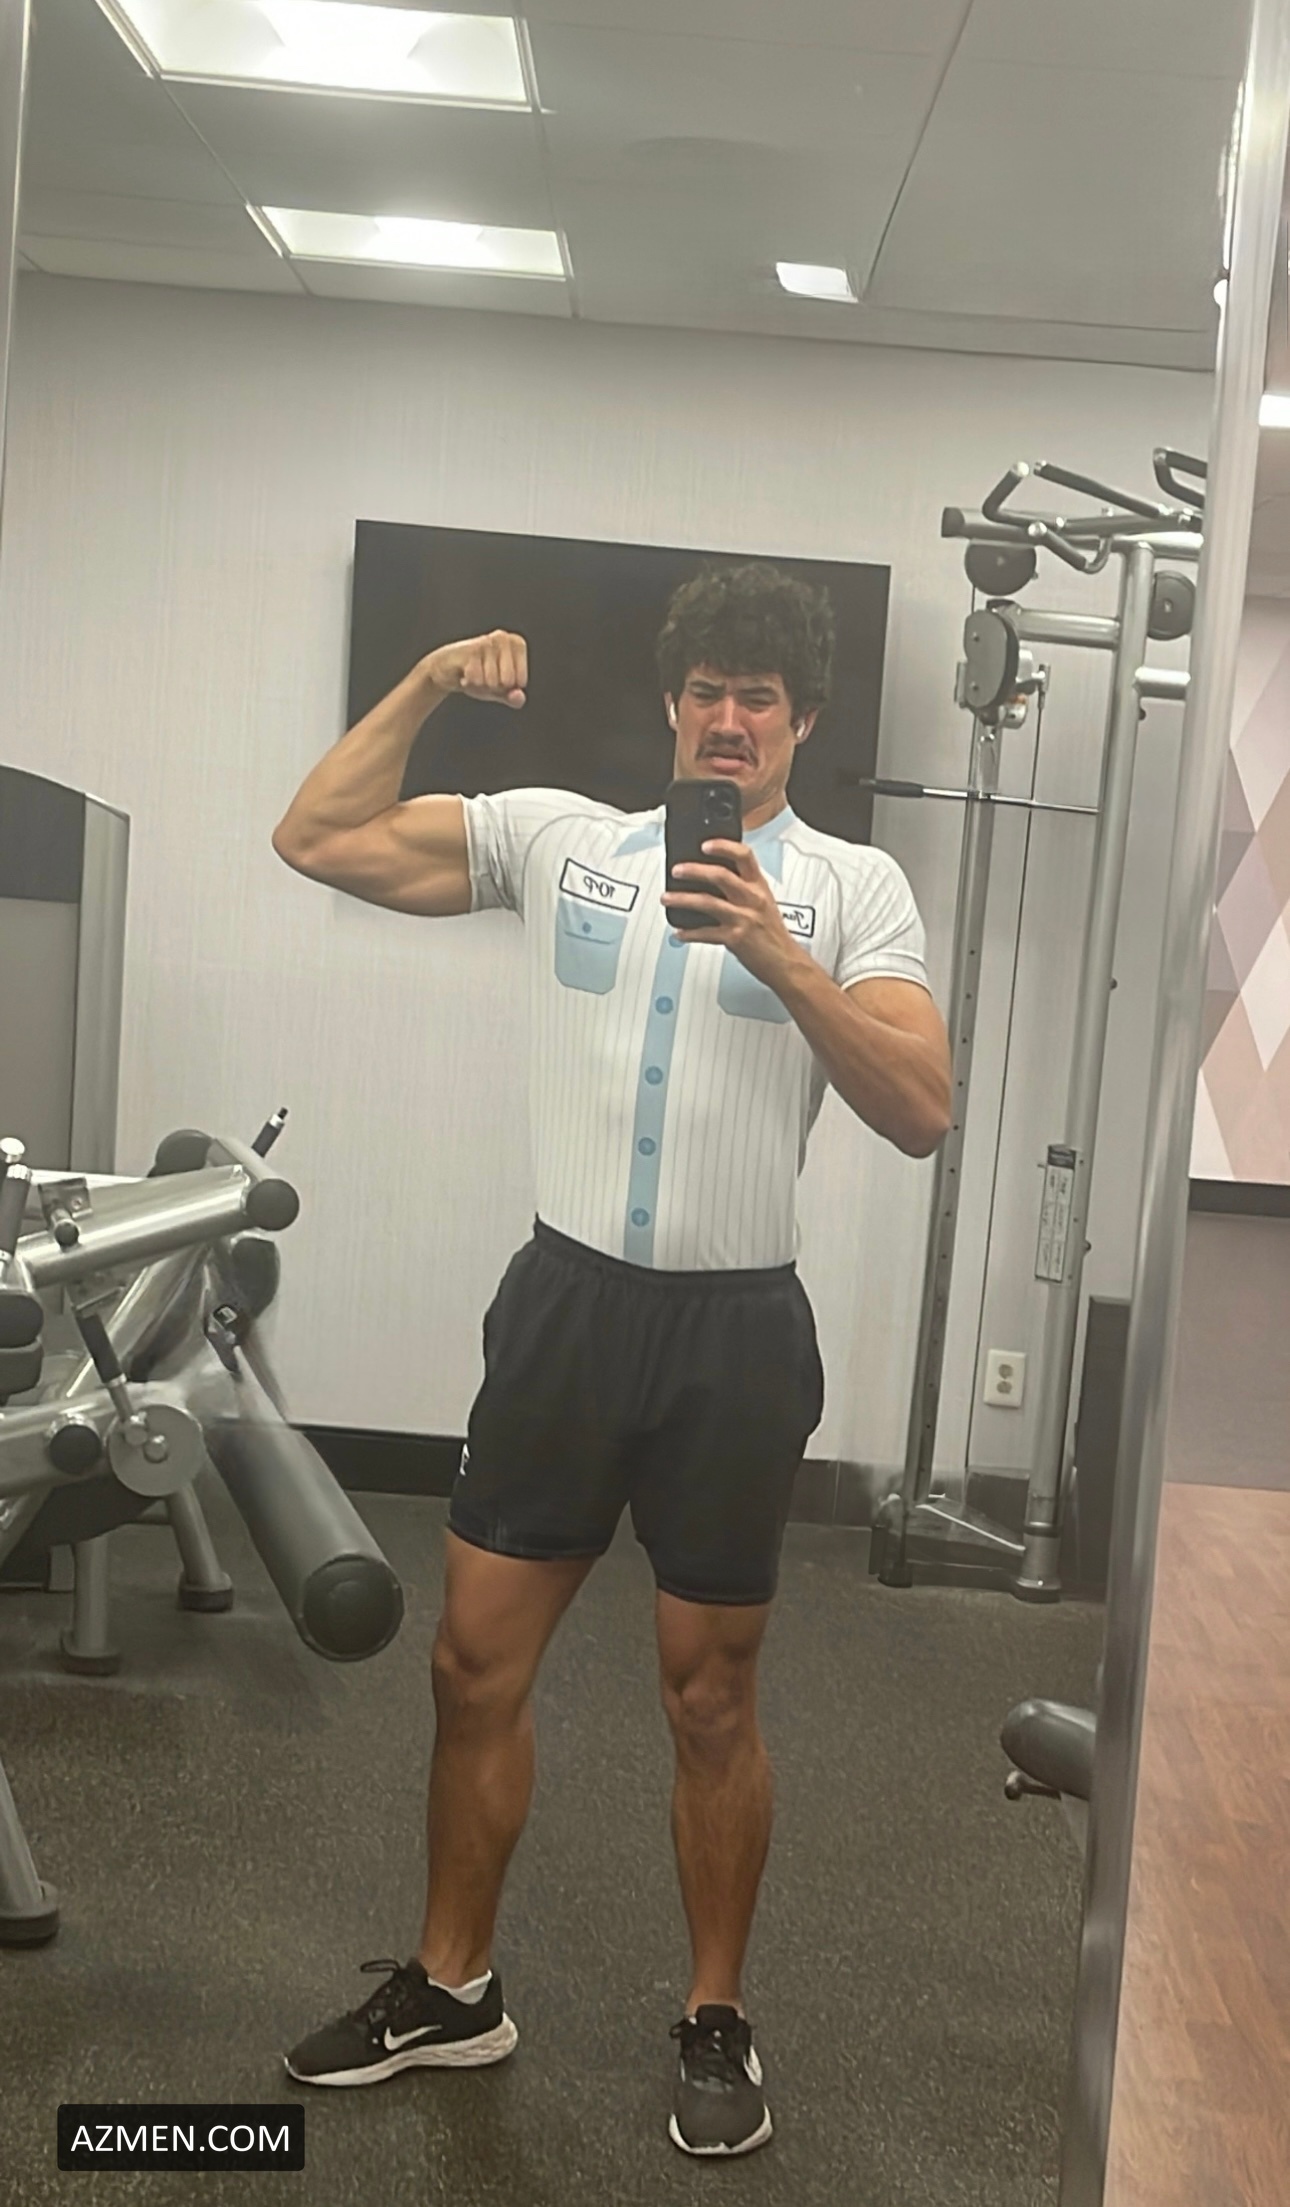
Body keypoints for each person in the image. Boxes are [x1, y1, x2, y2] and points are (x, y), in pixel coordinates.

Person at [270, 561, 951, 2157]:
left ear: (800, 723)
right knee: (470, 1665)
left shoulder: (853, 889)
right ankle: (453, 1989)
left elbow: (920, 1110)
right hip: (566, 1313)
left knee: (709, 1697)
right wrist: (428, 682)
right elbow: (318, 835)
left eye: (758, 699)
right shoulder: (559, 840)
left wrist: (779, 954)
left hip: (733, 1336)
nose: (728, 720)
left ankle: (714, 2014)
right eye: (706, 691)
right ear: (670, 705)